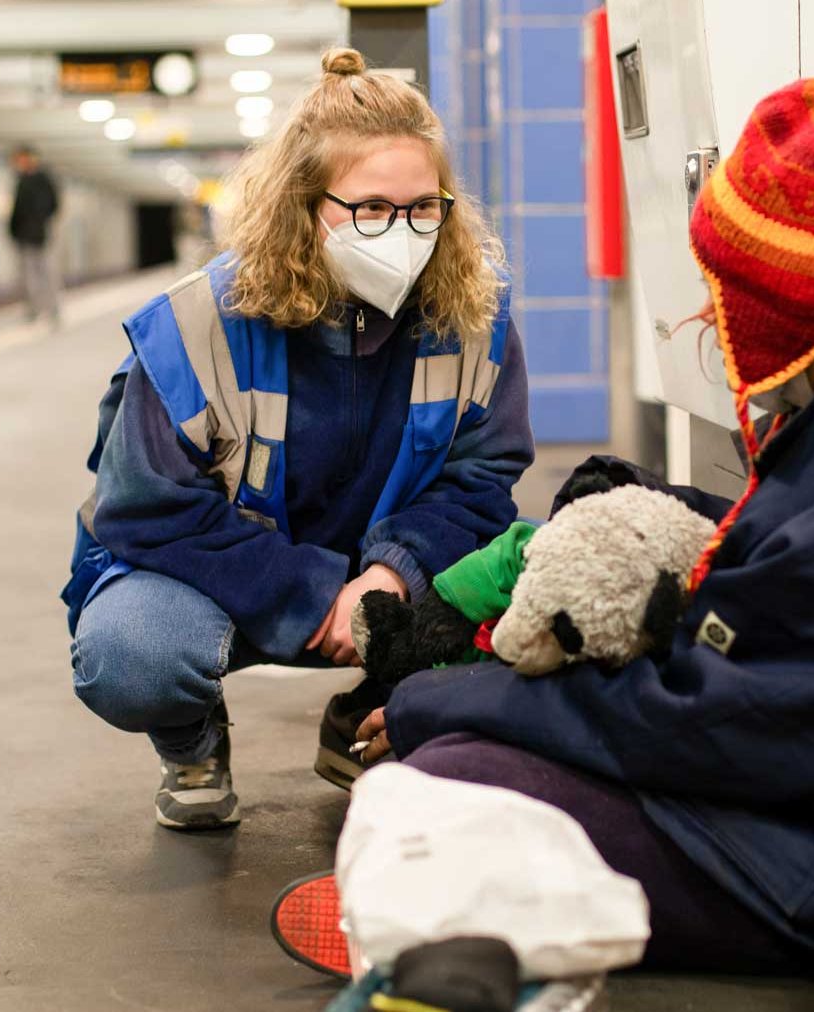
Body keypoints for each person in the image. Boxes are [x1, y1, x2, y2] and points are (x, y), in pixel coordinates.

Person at [315, 79, 814, 979]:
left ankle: (464, 930)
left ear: (774, 295)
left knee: (456, 769)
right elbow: (787, 585)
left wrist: (449, 696)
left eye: (724, 282)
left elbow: (700, 725)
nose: (708, 308)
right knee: (493, 719)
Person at [61, 48, 533, 831]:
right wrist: (313, 599)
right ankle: (193, 741)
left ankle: (379, 714)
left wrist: (390, 577)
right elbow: (146, 512)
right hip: (233, 582)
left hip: (394, 586)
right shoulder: (197, 326)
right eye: (372, 209)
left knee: (542, 597)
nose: (405, 234)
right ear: (305, 208)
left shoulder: (472, 311)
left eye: (425, 208)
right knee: (131, 655)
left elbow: (483, 478)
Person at [8, 145, 62, 326]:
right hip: (24, 235)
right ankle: (34, 309)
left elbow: (52, 205)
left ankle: (52, 309)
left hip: (40, 234)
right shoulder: (21, 180)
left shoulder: (42, 179)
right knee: (28, 275)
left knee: (45, 272)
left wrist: (40, 222)